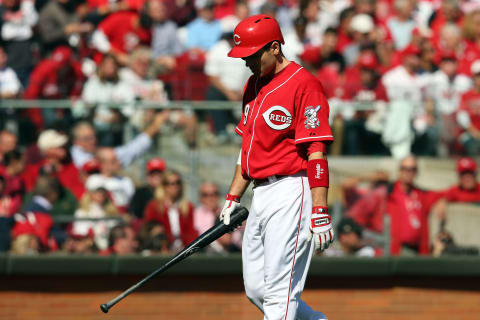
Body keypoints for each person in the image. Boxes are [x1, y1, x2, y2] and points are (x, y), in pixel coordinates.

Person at [221, 15, 334, 320]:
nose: (246, 62)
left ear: (274, 48)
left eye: (252, 55)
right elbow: (247, 149)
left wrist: (320, 209)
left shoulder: (305, 84)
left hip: (291, 189)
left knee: (279, 296)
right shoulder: (253, 84)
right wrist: (232, 197)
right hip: (260, 192)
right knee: (256, 288)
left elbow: (316, 152)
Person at [70, 113, 169, 169]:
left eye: (94, 136)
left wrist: (154, 127)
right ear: (76, 142)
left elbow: (131, 150)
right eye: (87, 138)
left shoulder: (100, 152)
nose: (93, 141)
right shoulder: (74, 155)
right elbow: (88, 165)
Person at [144, 170, 197, 252]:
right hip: (162, 250)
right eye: (170, 183)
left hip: (184, 251)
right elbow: (151, 231)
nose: (175, 186)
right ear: (164, 186)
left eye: (178, 182)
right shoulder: (154, 206)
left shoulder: (188, 207)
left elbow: (191, 232)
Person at [456, 60, 480, 155]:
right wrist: (476, 134)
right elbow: (463, 119)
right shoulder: (465, 96)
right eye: (478, 76)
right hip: (470, 135)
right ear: (473, 77)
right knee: (471, 144)